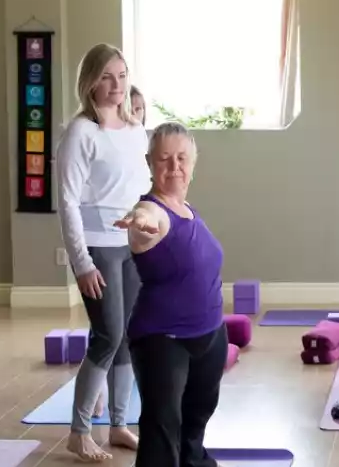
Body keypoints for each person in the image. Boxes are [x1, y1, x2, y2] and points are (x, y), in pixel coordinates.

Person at [56, 42, 154, 461]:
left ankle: (118, 425)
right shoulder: (81, 132)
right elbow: (67, 200)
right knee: (107, 336)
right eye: (107, 76)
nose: (116, 84)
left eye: (122, 74)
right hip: (98, 248)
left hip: (133, 246)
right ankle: (79, 432)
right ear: (90, 82)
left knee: (128, 337)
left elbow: (143, 188)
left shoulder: (135, 130)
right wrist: (80, 262)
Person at [113, 123, 228, 467]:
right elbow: (146, 222)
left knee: (194, 426)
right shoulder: (153, 210)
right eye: (164, 159)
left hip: (209, 334)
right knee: (162, 431)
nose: (174, 167)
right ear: (150, 163)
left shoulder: (188, 209)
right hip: (164, 339)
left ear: (193, 162)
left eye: (181, 158)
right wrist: (139, 221)